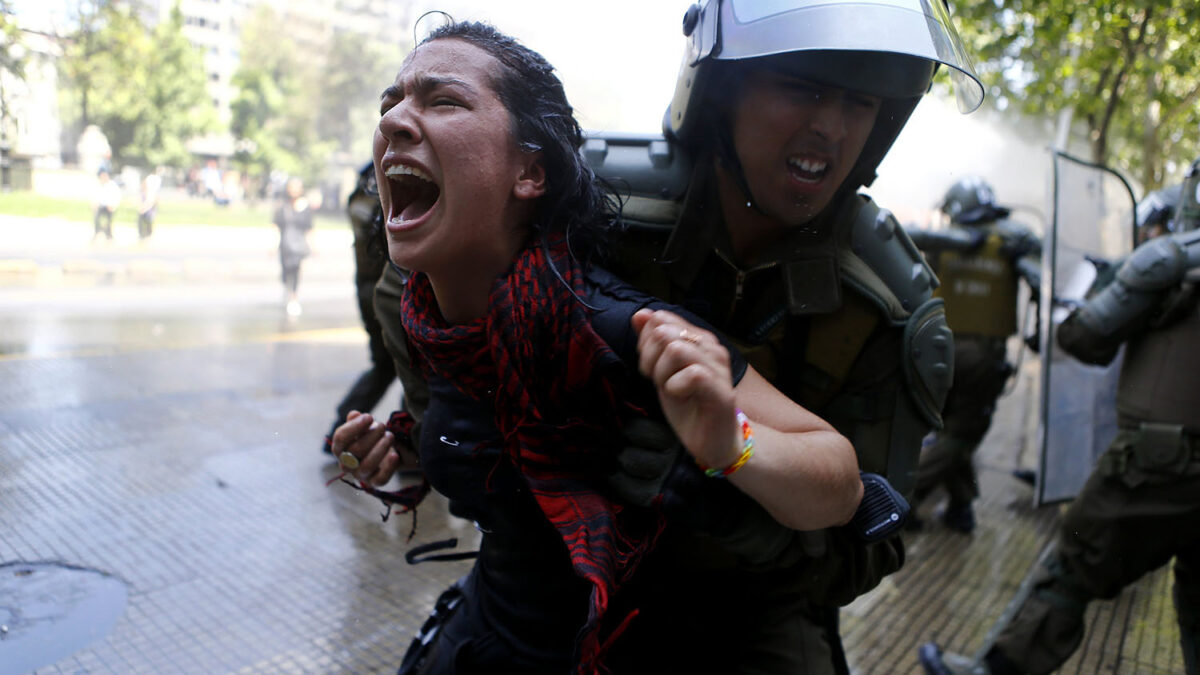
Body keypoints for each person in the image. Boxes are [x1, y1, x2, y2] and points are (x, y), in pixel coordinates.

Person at [330, 20, 863, 675]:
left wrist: (733, 444)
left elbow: (840, 482)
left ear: (530, 171)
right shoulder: (429, 317)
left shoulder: (615, 329)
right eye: (392, 103)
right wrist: (405, 440)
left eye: (443, 101)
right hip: (481, 637)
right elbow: (505, 445)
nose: (395, 122)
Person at [919, 157, 1200, 675]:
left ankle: (994, 671)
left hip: (1159, 460)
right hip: (976, 358)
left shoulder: (1168, 259)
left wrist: (1110, 284)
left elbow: (1082, 339)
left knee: (1071, 569)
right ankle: (955, 505)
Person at [904, 177, 1041, 533]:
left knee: (951, 429)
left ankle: (961, 506)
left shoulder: (941, 242)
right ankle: (906, 499)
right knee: (961, 435)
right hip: (982, 356)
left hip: (938, 348)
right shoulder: (1009, 244)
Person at [322, 163, 399, 454]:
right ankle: (412, 453)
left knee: (387, 365)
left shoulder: (362, 188)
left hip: (367, 286)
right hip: (386, 288)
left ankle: (338, 429)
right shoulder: (383, 189)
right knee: (404, 366)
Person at [274, 177, 313, 318]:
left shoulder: (305, 207)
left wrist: (313, 245)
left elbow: (309, 227)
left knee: (296, 271)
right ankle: (287, 291)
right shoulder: (282, 206)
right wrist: (272, 244)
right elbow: (276, 226)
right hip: (285, 244)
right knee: (285, 271)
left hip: (299, 245)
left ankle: (294, 297)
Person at [93, 167, 121, 241]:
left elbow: (117, 197)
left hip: (110, 206)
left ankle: (108, 235)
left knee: (109, 220)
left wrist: (113, 205)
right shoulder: (99, 185)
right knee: (96, 218)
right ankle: (97, 232)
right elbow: (95, 197)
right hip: (101, 206)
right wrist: (95, 204)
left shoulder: (112, 185)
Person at [137, 172, 161, 241]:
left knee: (146, 216)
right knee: (140, 216)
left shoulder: (151, 192)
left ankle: (147, 232)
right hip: (144, 209)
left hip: (150, 210)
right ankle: (141, 233)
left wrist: (144, 209)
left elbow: (151, 203)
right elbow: (140, 203)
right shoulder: (142, 193)